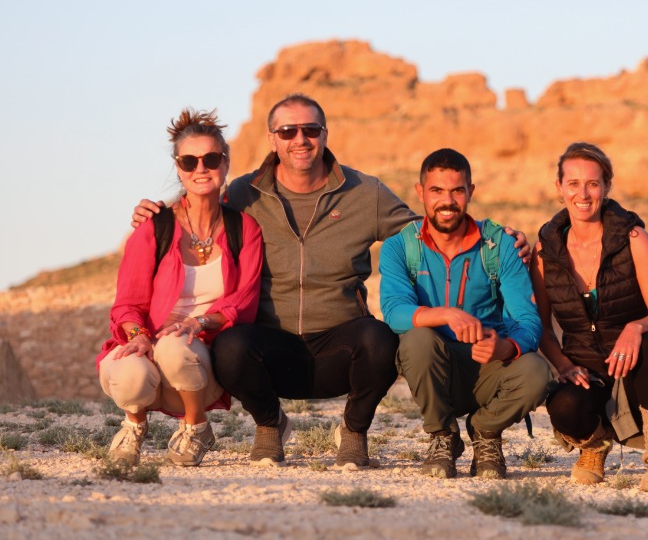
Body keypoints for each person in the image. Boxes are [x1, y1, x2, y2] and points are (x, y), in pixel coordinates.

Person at [131, 94, 530, 468]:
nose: (299, 139)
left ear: (324, 134)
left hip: (342, 340)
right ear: (272, 139)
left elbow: (432, 225)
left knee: (381, 337)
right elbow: (199, 207)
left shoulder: (364, 192)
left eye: (310, 130)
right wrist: (156, 212)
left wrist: (499, 240)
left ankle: (354, 431)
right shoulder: (244, 193)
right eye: (288, 132)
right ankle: (270, 424)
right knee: (231, 346)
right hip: (273, 343)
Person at [98, 109, 263, 467]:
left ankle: (196, 426)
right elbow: (126, 304)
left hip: (200, 363)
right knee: (130, 371)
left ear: (226, 163)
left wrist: (199, 323)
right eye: (190, 161)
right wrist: (140, 336)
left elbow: (245, 301)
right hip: (151, 352)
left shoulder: (244, 229)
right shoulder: (153, 228)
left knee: (175, 345)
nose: (200, 168)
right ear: (178, 167)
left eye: (211, 158)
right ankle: (134, 426)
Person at [379, 149, 551, 479]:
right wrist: (446, 314)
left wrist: (505, 347)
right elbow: (394, 312)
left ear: (471, 191)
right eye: (437, 191)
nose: (448, 201)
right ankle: (443, 436)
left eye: (457, 190)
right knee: (416, 341)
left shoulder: (499, 245)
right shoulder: (400, 247)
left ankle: (485, 434)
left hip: (489, 367)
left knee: (536, 372)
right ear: (420, 192)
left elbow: (528, 320)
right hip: (435, 368)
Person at [529, 142, 648, 491]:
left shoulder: (634, 239)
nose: (582, 194)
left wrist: (636, 327)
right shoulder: (545, 251)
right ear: (559, 188)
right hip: (587, 370)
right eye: (573, 183)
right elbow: (540, 325)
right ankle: (594, 446)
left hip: (639, 369)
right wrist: (564, 366)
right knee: (565, 406)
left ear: (607, 187)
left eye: (593, 184)